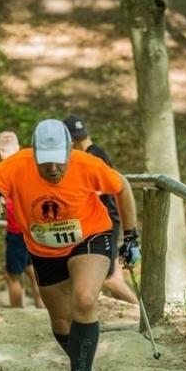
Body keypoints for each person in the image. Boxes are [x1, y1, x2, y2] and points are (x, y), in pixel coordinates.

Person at [0, 119, 141, 371]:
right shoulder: (14, 167)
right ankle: (82, 363)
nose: (53, 169)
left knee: (84, 299)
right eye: (46, 163)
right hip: (44, 249)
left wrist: (132, 235)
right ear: (33, 154)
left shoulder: (87, 164)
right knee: (61, 321)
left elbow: (121, 186)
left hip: (91, 236)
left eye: (59, 161)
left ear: (70, 151)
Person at [62, 114, 139, 306]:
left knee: (109, 277)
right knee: (115, 274)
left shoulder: (91, 156)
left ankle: (139, 308)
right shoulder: (98, 151)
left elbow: (97, 190)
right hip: (109, 217)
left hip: (105, 220)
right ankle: (133, 309)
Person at [0, 131, 44, 309]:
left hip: (17, 230)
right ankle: (41, 307)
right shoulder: (30, 165)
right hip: (35, 228)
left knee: (12, 275)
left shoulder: (4, 170)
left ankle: (17, 312)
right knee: (32, 269)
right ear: (17, 148)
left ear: (0, 151)